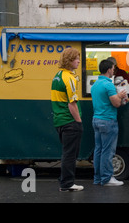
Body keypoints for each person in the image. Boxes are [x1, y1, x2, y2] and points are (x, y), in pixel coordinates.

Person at [51, 47, 84, 192]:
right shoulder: (69, 78)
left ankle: (64, 180)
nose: (78, 61)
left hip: (59, 121)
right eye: (76, 58)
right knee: (70, 154)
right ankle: (67, 183)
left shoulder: (57, 75)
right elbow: (72, 104)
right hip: (70, 122)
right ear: (70, 60)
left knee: (67, 153)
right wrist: (79, 122)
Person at [91, 59, 128, 186]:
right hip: (108, 121)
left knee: (98, 150)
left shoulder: (95, 84)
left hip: (96, 120)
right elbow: (116, 103)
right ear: (109, 70)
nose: (114, 71)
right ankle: (107, 178)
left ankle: (97, 178)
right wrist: (121, 95)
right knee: (108, 151)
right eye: (113, 69)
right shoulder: (108, 85)